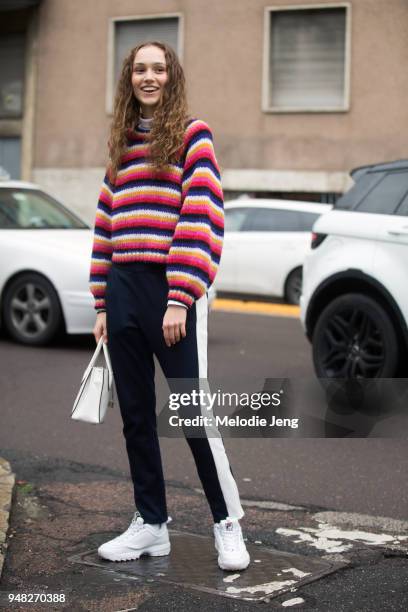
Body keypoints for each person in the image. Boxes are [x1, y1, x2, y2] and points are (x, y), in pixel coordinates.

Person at [89, 41, 249, 571]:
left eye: (158, 68)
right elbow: (105, 226)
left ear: (171, 75)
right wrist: (102, 302)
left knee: (190, 412)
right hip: (123, 289)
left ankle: (227, 523)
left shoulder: (191, 134)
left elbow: (201, 215)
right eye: (140, 69)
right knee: (135, 416)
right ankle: (151, 524)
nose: (149, 77)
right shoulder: (120, 143)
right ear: (129, 78)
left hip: (168, 287)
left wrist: (180, 296)